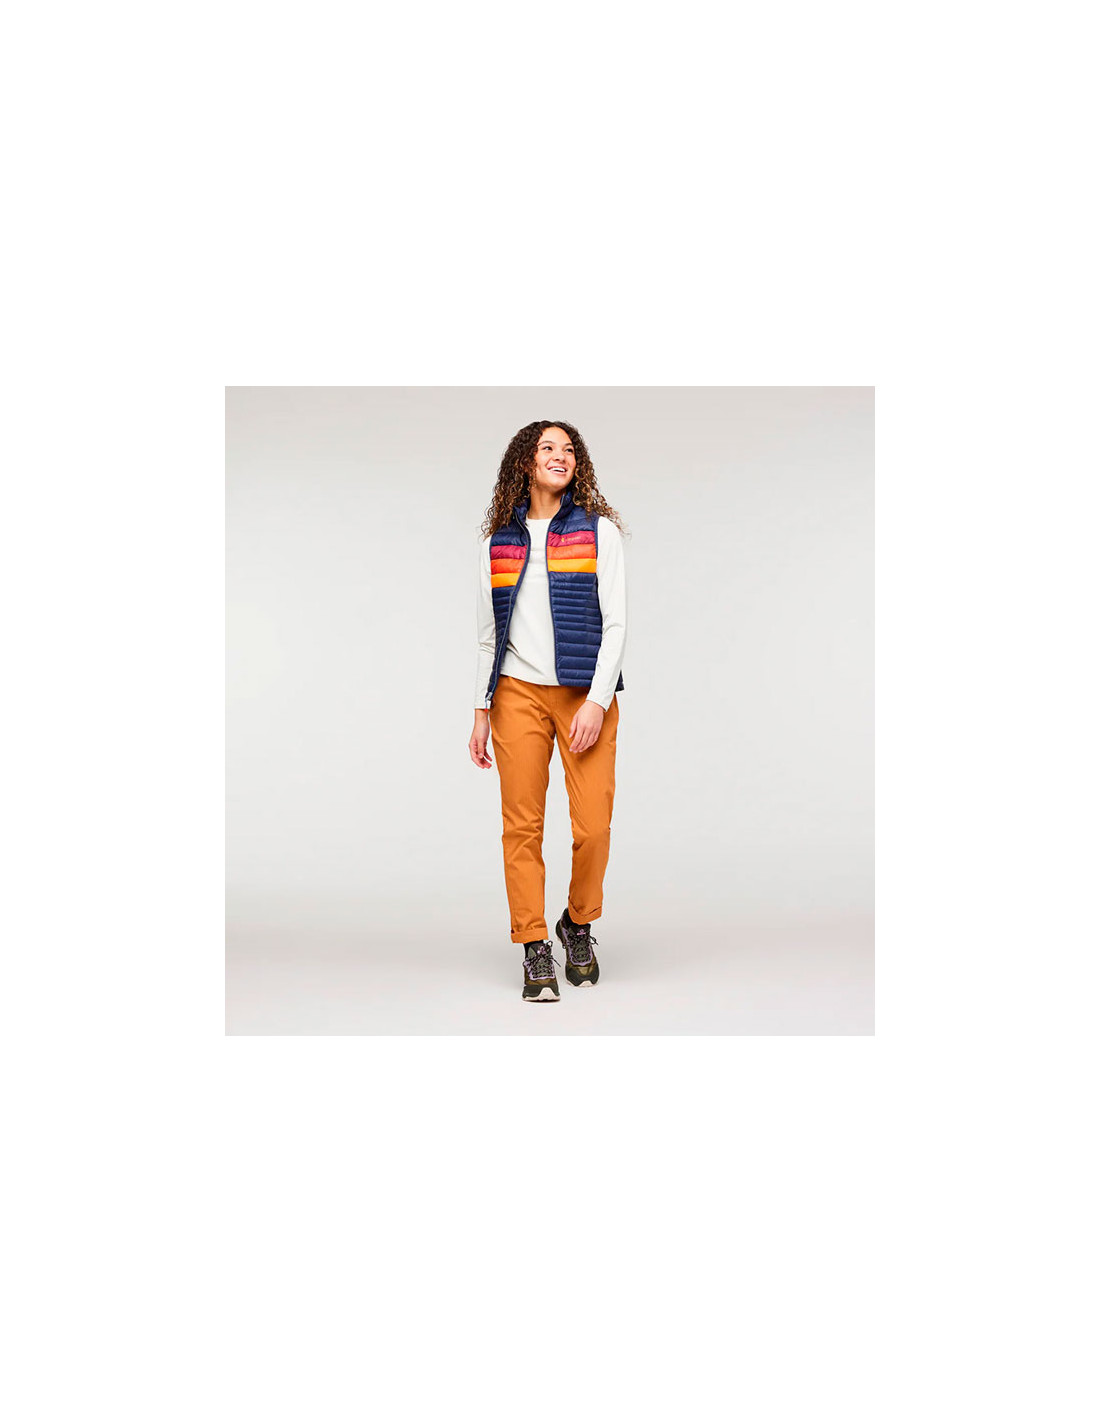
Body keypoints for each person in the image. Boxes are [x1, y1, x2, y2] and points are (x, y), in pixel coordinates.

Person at [468, 420, 628, 1002]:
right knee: (522, 826)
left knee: (593, 827)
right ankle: (534, 940)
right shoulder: (496, 543)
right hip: (516, 695)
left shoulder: (598, 532)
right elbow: (488, 637)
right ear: (525, 461)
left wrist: (597, 701)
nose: (560, 456)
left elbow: (617, 625)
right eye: (547, 448)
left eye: (569, 450)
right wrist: (482, 709)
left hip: (585, 695)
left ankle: (576, 923)